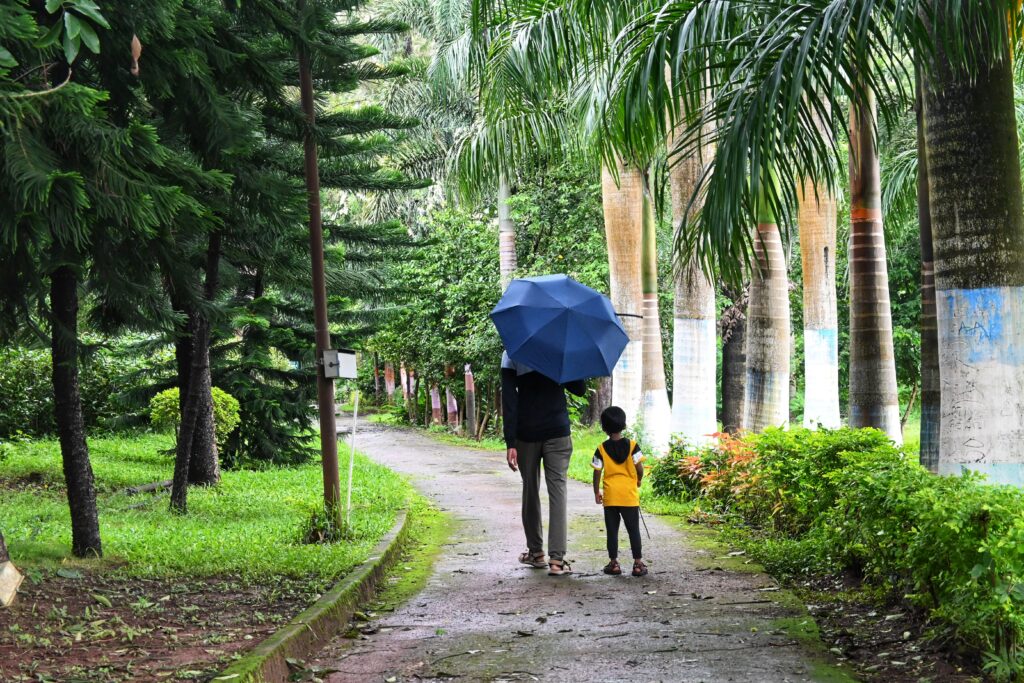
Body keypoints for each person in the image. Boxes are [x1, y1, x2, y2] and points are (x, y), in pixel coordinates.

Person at [502, 351, 587, 576]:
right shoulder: (560, 347)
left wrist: (510, 441)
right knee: (558, 493)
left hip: (526, 433)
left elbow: (509, 399)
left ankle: (536, 553)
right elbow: (579, 389)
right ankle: (557, 561)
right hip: (557, 430)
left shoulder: (512, 351)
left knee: (530, 489)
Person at [592, 406, 648, 577]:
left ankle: (614, 563)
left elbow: (597, 471)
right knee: (633, 530)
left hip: (611, 497)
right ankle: (638, 564)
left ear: (604, 427)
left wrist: (596, 491)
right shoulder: (633, 446)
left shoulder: (601, 449)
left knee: (612, 531)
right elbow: (640, 468)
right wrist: (638, 480)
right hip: (629, 496)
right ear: (624, 425)